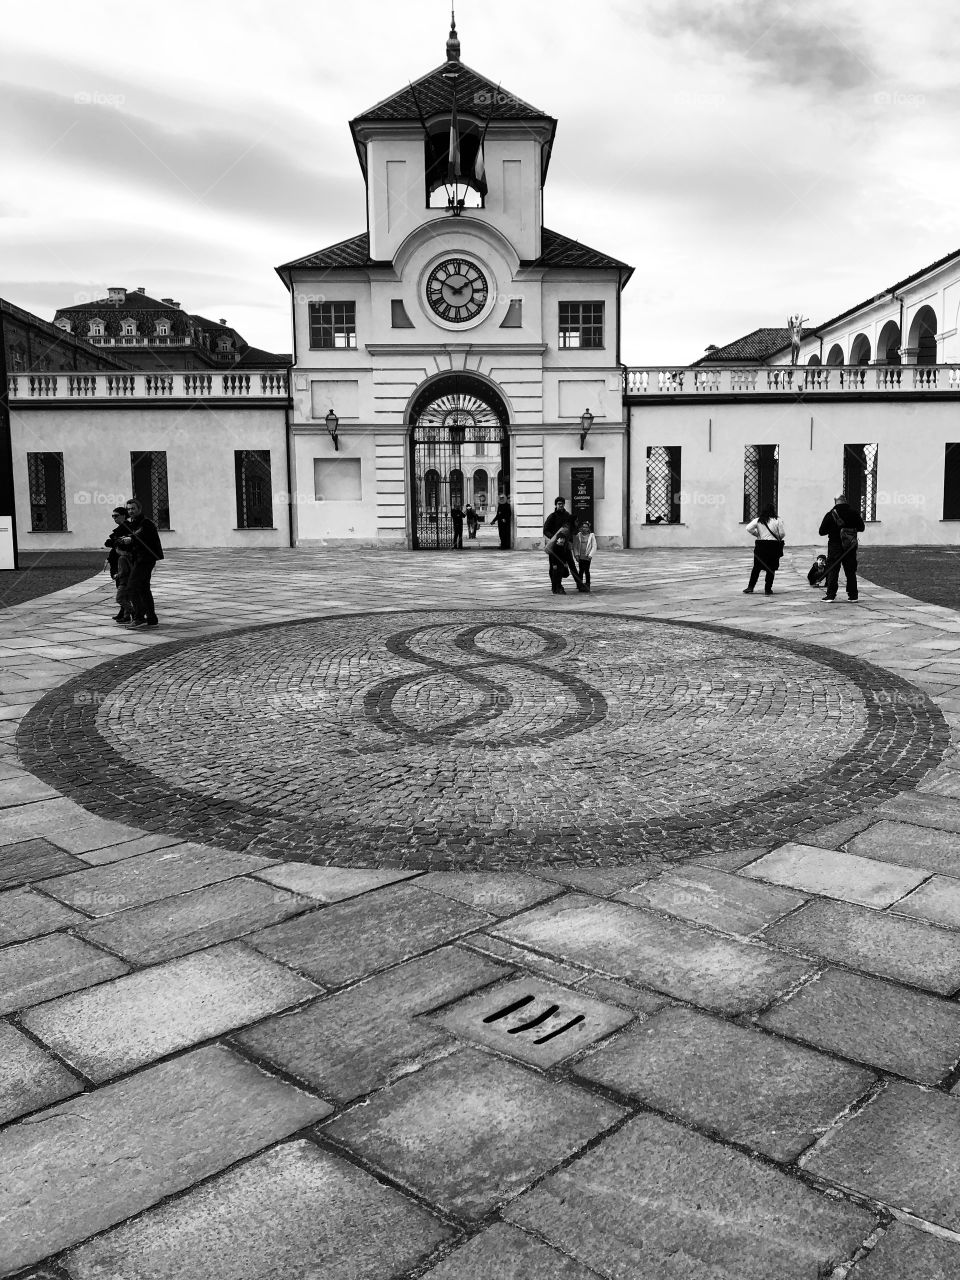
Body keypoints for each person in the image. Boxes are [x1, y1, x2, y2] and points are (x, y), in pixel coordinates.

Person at [122, 498, 164, 627]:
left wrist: (130, 539)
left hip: (146, 559)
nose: (130, 511)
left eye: (133, 508)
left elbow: (138, 535)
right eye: (128, 509)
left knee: (132, 587)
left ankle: (139, 617)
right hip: (138, 558)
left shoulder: (146, 523)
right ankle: (152, 618)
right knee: (144, 588)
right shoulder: (133, 523)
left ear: (139, 509)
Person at [818, 492, 865, 602]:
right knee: (850, 571)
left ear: (835, 501)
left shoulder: (830, 514)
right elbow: (861, 527)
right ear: (845, 501)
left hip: (835, 545)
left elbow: (821, 531)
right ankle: (853, 596)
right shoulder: (854, 513)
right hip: (849, 546)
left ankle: (831, 595)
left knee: (833, 569)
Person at [743, 503, 785, 595]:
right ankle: (767, 589)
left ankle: (750, 587)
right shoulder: (778, 520)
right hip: (773, 546)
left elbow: (748, 528)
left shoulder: (758, 520)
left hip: (761, 545)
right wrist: (776, 537)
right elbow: (782, 534)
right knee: (771, 568)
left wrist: (757, 534)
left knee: (756, 567)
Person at [104, 505, 134, 623]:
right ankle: (124, 613)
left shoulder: (126, 527)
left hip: (121, 562)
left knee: (122, 589)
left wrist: (112, 542)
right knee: (121, 588)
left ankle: (129, 612)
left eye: (116, 516)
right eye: (113, 516)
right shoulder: (122, 527)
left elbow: (121, 543)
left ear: (123, 516)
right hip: (117, 560)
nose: (114, 518)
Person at [544, 526, 584, 594]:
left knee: (560, 575)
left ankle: (579, 584)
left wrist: (565, 563)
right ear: (557, 539)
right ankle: (555, 588)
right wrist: (554, 564)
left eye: (563, 539)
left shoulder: (564, 546)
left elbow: (564, 556)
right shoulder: (555, 546)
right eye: (560, 539)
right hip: (556, 564)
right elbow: (553, 557)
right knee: (555, 576)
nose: (562, 540)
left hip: (561, 564)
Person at [573, 520, 597, 592]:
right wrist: (576, 555)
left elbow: (594, 546)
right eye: (583, 527)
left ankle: (587, 584)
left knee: (587, 570)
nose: (584, 528)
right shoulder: (578, 535)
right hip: (580, 556)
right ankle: (579, 584)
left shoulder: (591, 536)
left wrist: (590, 555)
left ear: (588, 528)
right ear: (581, 528)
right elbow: (575, 546)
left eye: (586, 527)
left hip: (587, 556)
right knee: (580, 570)